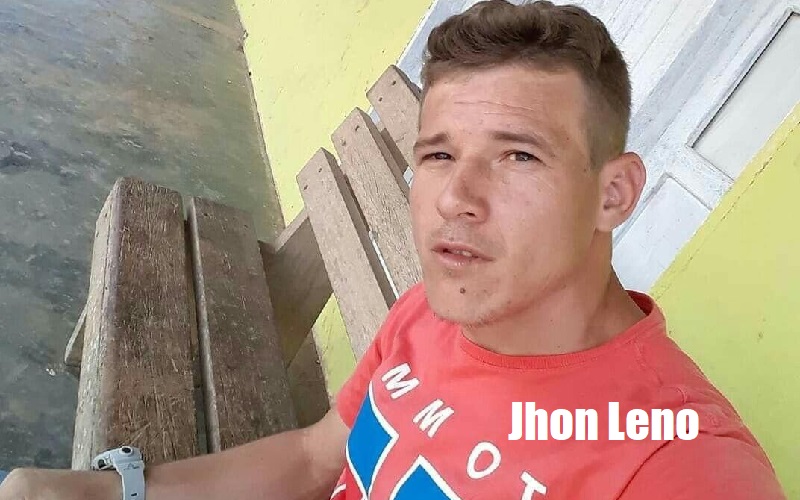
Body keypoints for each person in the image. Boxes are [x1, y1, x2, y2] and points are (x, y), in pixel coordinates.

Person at [0, 1, 787, 498]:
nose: (455, 198)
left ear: (612, 194)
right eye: (438, 154)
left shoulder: (680, 466)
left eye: (518, 155)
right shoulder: (438, 312)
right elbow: (316, 459)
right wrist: (112, 490)